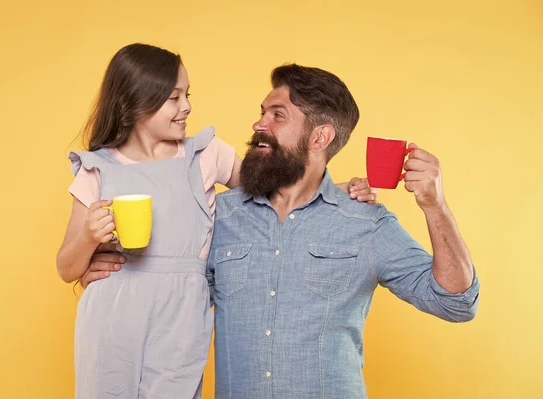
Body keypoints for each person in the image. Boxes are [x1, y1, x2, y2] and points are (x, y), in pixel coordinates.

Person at [56, 43, 377, 399]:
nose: (187, 106)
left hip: (182, 313)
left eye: (187, 95)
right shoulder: (97, 168)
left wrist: (336, 188)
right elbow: (67, 267)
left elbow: (273, 190)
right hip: (112, 310)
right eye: (173, 97)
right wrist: (89, 238)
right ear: (133, 102)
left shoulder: (206, 154)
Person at [205, 64, 480, 398]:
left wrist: (435, 206)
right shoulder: (221, 215)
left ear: (320, 137)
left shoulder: (365, 223)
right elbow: (172, 298)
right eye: (262, 112)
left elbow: (456, 302)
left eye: (277, 115)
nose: (258, 124)